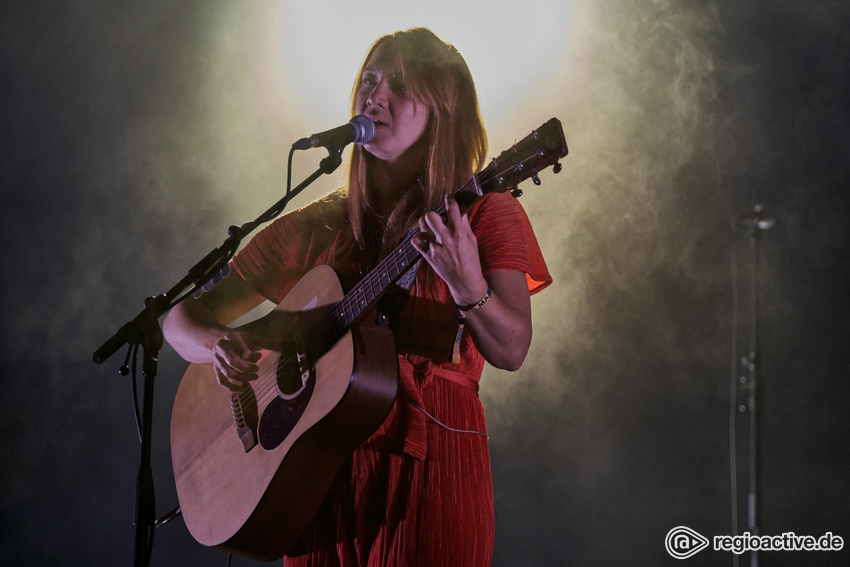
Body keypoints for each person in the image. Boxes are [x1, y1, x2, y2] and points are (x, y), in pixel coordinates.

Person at [163, 27, 551, 566]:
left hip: (431, 470)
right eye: (369, 79)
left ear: (443, 108)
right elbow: (179, 320)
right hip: (314, 474)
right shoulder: (321, 223)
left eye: (401, 84)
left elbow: (512, 349)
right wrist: (217, 345)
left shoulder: (487, 214)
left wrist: (470, 289)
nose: (375, 95)